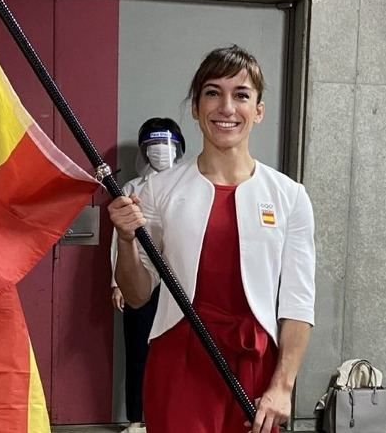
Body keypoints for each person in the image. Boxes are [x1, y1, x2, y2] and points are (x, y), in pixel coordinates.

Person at [107, 45, 315, 433]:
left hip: (254, 362)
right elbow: (137, 295)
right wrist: (124, 240)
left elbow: (298, 303)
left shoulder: (289, 197)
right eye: (213, 92)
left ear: (259, 110)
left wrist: (283, 386)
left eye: (241, 95)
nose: (226, 107)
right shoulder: (159, 191)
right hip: (178, 357)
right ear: (196, 107)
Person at [110, 118, 186, 433]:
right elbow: (119, 241)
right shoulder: (132, 189)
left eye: (166, 145)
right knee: (138, 349)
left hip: (179, 283)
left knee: (175, 352)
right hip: (140, 278)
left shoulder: (188, 185)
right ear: (144, 150)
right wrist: (117, 283)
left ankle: (172, 416)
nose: (161, 152)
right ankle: (137, 419)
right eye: (154, 146)